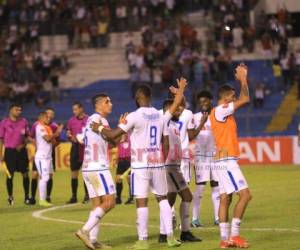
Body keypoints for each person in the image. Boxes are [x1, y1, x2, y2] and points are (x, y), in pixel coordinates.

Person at [93, 82, 187, 249]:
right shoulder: (161, 115)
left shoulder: (134, 116)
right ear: (149, 97)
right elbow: (176, 104)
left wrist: (99, 127)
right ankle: (171, 237)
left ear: (137, 98)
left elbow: (114, 134)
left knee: (141, 202)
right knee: (163, 200)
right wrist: (180, 90)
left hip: (140, 166)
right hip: (157, 164)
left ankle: (143, 241)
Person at [210, 64, 252, 248]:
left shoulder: (222, 114)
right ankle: (234, 236)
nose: (234, 100)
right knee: (245, 195)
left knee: (226, 198)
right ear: (226, 98)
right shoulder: (221, 109)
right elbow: (246, 98)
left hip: (223, 160)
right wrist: (243, 79)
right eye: (232, 97)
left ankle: (224, 239)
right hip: (226, 161)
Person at [75, 94, 118, 250]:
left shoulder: (90, 121)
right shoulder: (99, 119)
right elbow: (113, 137)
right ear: (99, 105)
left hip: (87, 168)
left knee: (97, 205)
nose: (110, 104)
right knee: (110, 202)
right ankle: (84, 231)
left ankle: (93, 241)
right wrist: (121, 128)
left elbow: (113, 142)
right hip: (98, 167)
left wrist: (119, 132)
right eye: (107, 101)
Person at [159, 96, 201, 244]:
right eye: (177, 108)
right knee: (186, 197)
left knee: (170, 201)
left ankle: (166, 234)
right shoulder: (163, 123)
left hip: (175, 167)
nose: (180, 110)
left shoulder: (175, 126)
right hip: (170, 167)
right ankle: (183, 232)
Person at [188, 90, 220, 227]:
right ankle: (195, 219)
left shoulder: (217, 117)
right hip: (201, 157)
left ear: (210, 101)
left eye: (205, 101)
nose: (203, 104)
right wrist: (202, 123)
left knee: (216, 187)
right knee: (200, 189)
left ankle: (218, 218)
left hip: (215, 156)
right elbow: (191, 136)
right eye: (201, 102)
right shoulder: (195, 117)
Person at [0, 104, 31, 205]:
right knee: (10, 175)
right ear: (11, 110)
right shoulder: (4, 123)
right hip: (9, 152)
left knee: (25, 174)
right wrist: (1, 154)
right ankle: (10, 197)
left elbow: (27, 137)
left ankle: (27, 197)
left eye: (20, 110)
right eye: (17, 109)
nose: (19, 111)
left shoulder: (24, 122)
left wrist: (23, 145)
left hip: (21, 151)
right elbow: (1, 140)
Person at [29, 108, 61, 204]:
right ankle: (42, 200)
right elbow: (47, 139)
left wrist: (55, 137)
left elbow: (53, 142)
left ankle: (46, 197)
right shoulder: (40, 127)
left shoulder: (48, 127)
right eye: (47, 117)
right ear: (41, 118)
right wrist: (56, 133)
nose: (49, 118)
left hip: (48, 157)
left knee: (49, 176)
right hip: (42, 157)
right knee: (45, 177)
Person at [66, 102, 89, 204]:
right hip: (75, 148)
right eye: (73, 110)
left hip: (85, 149)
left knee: (86, 174)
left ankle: (87, 196)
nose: (74, 111)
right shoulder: (71, 121)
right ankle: (74, 196)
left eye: (75, 109)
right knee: (74, 173)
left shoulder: (89, 119)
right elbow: (69, 133)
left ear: (81, 109)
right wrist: (70, 136)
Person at [115, 134, 133, 205]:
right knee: (118, 179)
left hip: (129, 160)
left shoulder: (131, 137)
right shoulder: (119, 137)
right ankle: (118, 198)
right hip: (121, 160)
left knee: (129, 179)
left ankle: (131, 198)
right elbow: (115, 145)